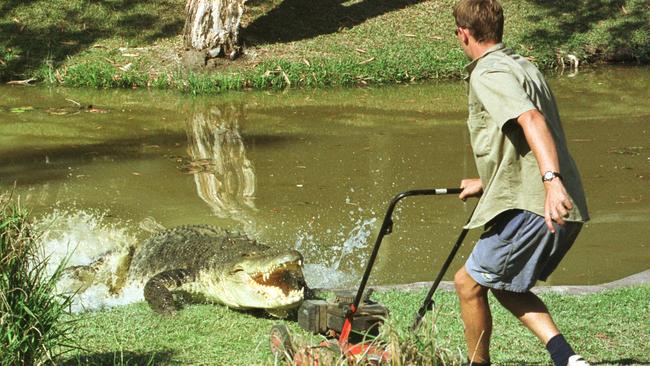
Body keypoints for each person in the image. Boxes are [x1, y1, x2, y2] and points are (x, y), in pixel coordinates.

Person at [451, 1, 590, 365]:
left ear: (463, 34)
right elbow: (521, 138)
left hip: (539, 202)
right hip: (557, 199)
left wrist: (550, 182)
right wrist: (487, 181)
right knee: (499, 282)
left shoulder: (488, 73)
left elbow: (531, 120)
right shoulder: (523, 66)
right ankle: (566, 358)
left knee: (469, 283)